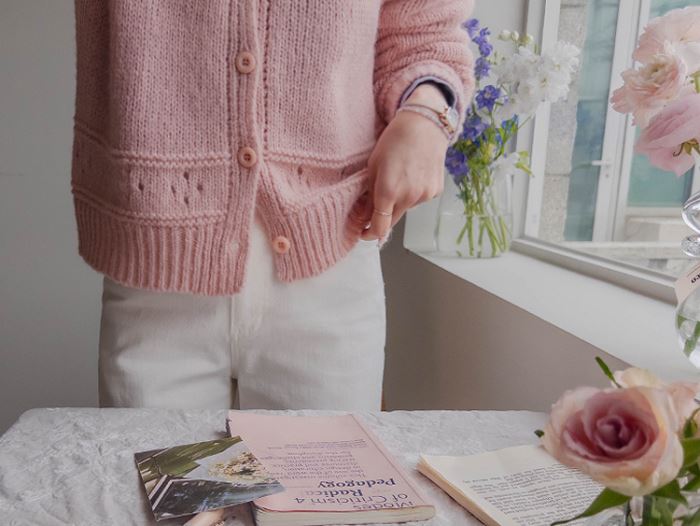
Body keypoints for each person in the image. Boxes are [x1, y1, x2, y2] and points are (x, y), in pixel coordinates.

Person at [70, 0, 475, 412]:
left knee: (325, 458)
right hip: (153, 272)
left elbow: (424, 29)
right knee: (160, 459)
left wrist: (426, 115)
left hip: (329, 265)